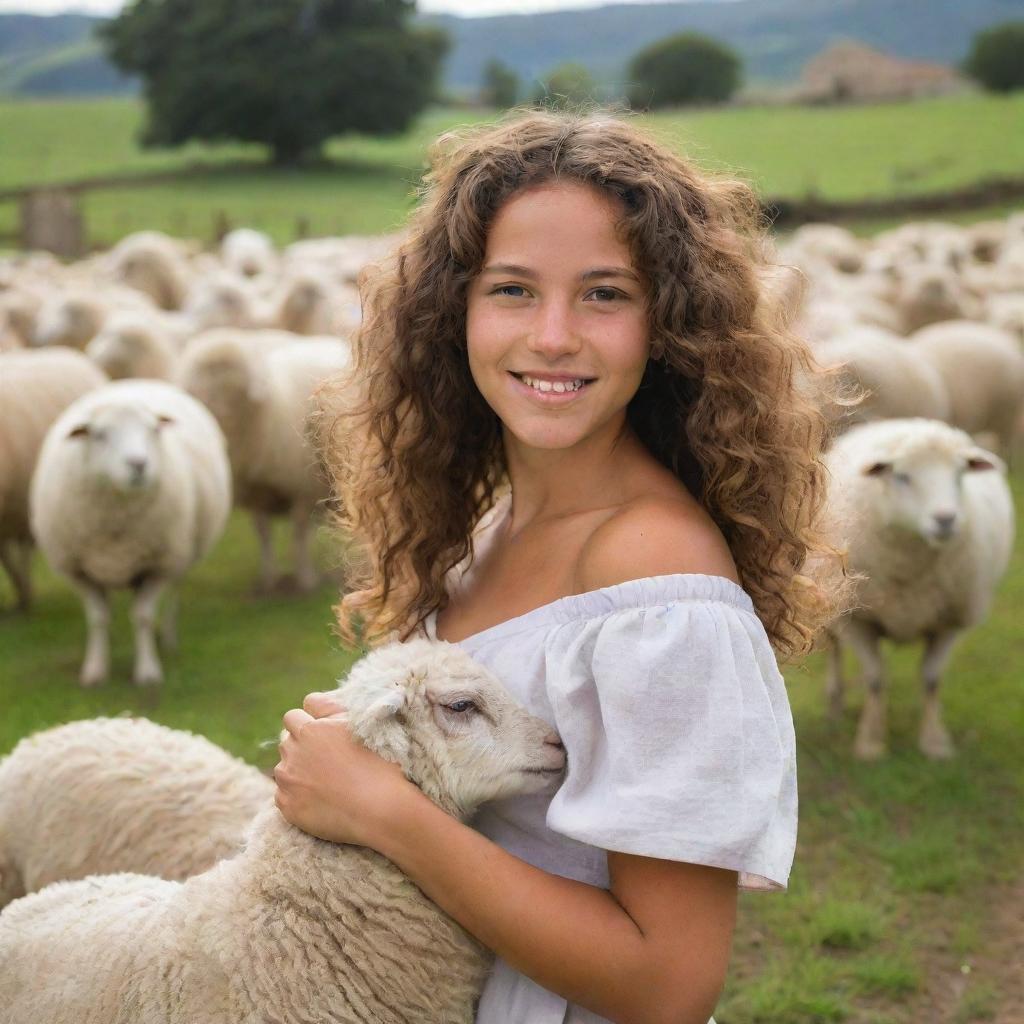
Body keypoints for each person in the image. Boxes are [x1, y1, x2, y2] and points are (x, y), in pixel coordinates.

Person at [274, 110, 843, 1024]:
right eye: (511, 289)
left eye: (604, 294)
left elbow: (669, 985)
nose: (551, 335)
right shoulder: (487, 526)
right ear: (451, 309)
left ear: (669, 323)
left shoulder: (657, 585)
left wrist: (384, 813)